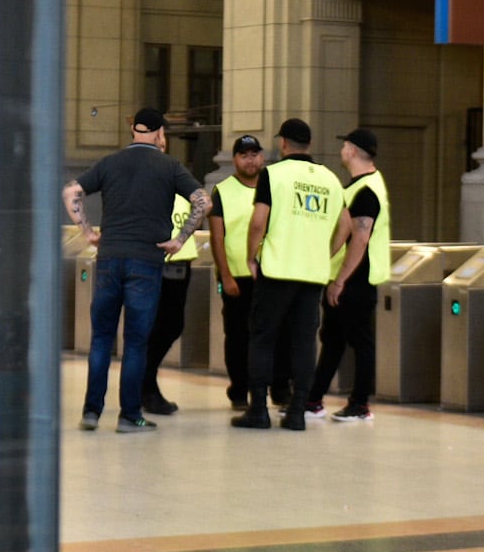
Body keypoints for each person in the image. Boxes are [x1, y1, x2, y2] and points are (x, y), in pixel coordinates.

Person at [62, 108, 208, 433]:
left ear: (134, 132)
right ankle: (129, 416)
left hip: (109, 259)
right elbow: (202, 201)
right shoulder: (170, 166)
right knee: (136, 342)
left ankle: (91, 412)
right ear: (159, 134)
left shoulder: (109, 163)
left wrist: (87, 231)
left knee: (101, 339)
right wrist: (179, 239)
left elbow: (71, 191)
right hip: (146, 261)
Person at [234, 118, 349, 431]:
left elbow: (259, 221)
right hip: (312, 274)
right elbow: (346, 226)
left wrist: (251, 255)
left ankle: (258, 409)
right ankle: (297, 411)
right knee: (303, 342)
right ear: (308, 144)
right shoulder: (330, 179)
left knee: (263, 338)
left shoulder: (273, 174)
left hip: (276, 270)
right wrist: (324, 253)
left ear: (283, 143)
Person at [305, 127, 391, 422]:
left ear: (352, 151)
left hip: (357, 278)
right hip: (347, 276)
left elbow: (361, 238)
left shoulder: (367, 191)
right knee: (333, 339)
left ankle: (360, 404)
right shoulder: (357, 186)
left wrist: (340, 279)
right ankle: (313, 400)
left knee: (359, 341)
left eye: (344, 146)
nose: (341, 150)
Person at [207, 134, 265, 408]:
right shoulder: (223, 190)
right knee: (238, 336)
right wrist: (226, 275)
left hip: (267, 275)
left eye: (254, 154)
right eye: (244, 155)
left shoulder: (271, 187)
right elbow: (217, 237)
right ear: (235, 160)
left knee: (267, 334)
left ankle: (268, 388)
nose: (250, 160)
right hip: (237, 277)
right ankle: (240, 390)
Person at [139, 189, 199, 415]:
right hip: (156, 260)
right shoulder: (148, 187)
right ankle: (146, 385)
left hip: (181, 261)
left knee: (172, 325)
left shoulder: (179, 186)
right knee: (156, 326)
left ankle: (145, 380)